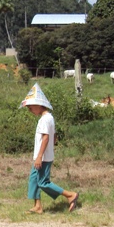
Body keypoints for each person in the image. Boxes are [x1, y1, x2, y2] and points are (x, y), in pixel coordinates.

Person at [20, 83, 79, 214]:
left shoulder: (45, 119)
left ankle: (70, 195)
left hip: (43, 157)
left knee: (43, 182)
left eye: (30, 107)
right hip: (43, 155)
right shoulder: (48, 118)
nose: (29, 109)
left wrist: (40, 156)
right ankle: (38, 206)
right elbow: (54, 136)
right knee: (34, 180)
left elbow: (46, 138)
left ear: (39, 105)